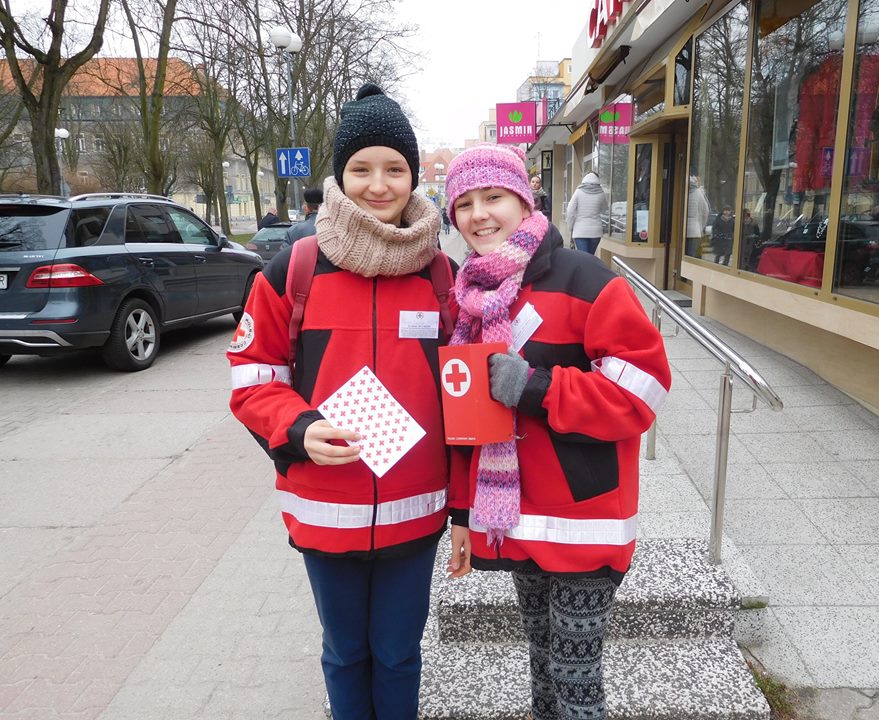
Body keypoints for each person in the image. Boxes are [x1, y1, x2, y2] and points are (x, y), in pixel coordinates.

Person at [227, 83, 454, 720]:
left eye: (394, 169)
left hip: (416, 509)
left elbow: (468, 389)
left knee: (399, 653)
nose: (378, 185)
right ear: (338, 175)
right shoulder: (295, 268)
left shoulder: (440, 274)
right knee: (345, 652)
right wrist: (298, 429)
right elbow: (251, 377)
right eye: (361, 168)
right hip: (326, 506)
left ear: (413, 177)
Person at [443, 143, 671, 720]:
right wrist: (465, 515)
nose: (480, 214)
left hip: (587, 522)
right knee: (543, 667)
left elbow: (642, 389)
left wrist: (538, 388)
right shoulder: (469, 297)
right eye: (464, 204)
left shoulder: (586, 279)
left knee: (575, 680)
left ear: (525, 201)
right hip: (518, 522)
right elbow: (469, 422)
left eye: (494, 197)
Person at [565, 171, 607, 254]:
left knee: (584, 258)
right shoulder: (601, 193)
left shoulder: (578, 192)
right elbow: (604, 209)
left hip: (580, 231)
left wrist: (570, 227)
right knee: (591, 257)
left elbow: (570, 210)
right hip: (596, 231)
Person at [686, 176, 710, 258]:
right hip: (695, 231)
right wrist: (700, 227)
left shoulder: (682, 191)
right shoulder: (699, 193)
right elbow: (706, 212)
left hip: (682, 231)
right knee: (691, 256)